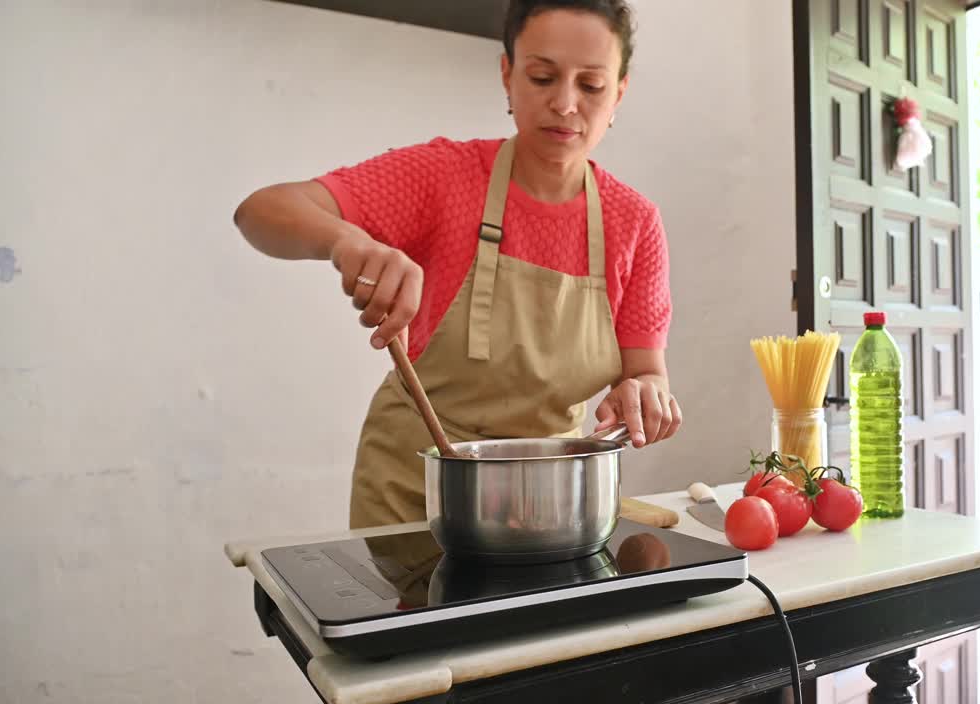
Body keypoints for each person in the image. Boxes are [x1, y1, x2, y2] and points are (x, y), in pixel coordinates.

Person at [233, 0, 682, 529]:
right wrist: (346, 242)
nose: (565, 104)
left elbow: (645, 373)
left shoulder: (634, 222)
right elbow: (260, 211)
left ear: (619, 94)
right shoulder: (445, 178)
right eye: (542, 77)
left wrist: (644, 395)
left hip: (548, 502)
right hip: (416, 496)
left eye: (591, 86)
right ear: (507, 75)